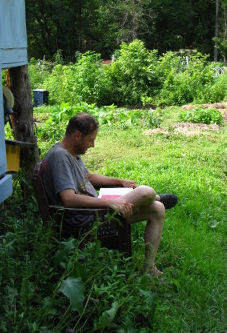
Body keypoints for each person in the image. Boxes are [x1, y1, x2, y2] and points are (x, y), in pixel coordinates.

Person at [42, 112, 177, 276]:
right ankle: (155, 197)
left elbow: (88, 177)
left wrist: (119, 182)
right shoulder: (60, 157)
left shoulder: (70, 153)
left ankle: (150, 270)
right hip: (85, 221)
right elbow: (68, 199)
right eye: (90, 140)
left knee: (158, 209)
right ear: (77, 135)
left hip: (94, 213)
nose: (92, 145)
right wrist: (109, 203)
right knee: (146, 191)